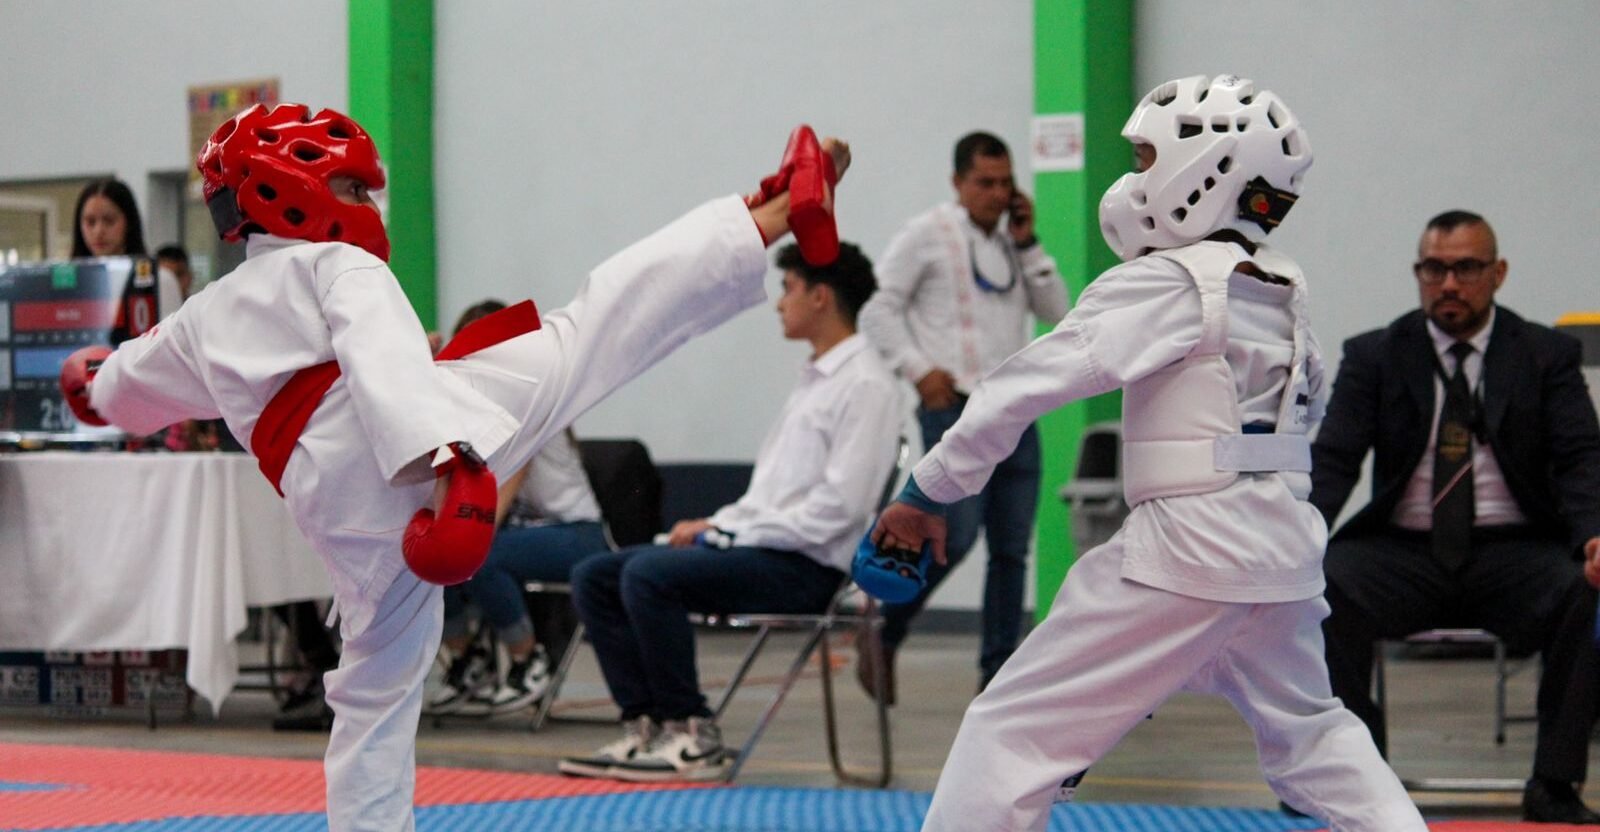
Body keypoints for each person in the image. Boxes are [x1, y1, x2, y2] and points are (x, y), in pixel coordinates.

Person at [62, 103, 849, 831]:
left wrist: (92, 389)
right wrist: (452, 467)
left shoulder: (204, 317)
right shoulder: (339, 268)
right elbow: (386, 367)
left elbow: (135, 385)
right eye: (345, 185)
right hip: (416, 456)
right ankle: (772, 211)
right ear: (287, 190)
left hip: (339, 509)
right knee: (593, 327)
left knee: (373, 693)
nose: (364, 204)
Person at [871, 75, 1427, 832]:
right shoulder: (1279, 288)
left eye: (1144, 160)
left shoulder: (1165, 282)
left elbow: (1018, 388)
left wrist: (927, 490)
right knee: (1314, 733)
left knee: (1013, 730)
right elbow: (1310, 415)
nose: (1132, 180)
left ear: (1203, 174)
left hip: (1189, 549)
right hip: (1281, 552)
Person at [560, 240, 901, 783]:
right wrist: (718, 526)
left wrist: (729, 531)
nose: (778, 303)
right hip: (761, 547)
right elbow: (768, 495)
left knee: (649, 576)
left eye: (787, 288)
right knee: (596, 575)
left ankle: (693, 731)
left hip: (806, 567)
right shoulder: (814, 380)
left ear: (820, 296)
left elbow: (840, 508)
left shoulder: (866, 385)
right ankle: (645, 725)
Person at [1310, 210, 1600, 824]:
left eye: (1466, 268)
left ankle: (1554, 781)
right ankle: (1356, 780)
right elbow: (1334, 458)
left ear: (1497, 274)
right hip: (1405, 549)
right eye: (1434, 269)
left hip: (1513, 548)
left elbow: (1581, 458)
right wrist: (1296, 537)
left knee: (1584, 586)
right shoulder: (1376, 354)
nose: (1448, 283)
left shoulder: (1546, 355)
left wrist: (1596, 535)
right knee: (1326, 581)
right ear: (1418, 275)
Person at [856, 130, 1069, 699]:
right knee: (959, 530)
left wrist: (1028, 243)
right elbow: (877, 309)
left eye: (1005, 183)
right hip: (954, 410)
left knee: (1011, 549)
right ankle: (885, 627)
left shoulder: (1013, 246)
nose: (997, 194)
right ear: (958, 183)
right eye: (985, 183)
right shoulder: (925, 235)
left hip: (1015, 413)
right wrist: (917, 369)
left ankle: (996, 677)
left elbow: (1058, 311)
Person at [427, 300, 610, 717]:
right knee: (436, 557)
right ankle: (467, 658)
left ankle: (529, 661)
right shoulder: (482, 403)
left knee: (479, 555)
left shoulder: (526, 400)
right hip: (535, 530)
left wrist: (469, 535)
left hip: (578, 534)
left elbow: (507, 484)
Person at [71, 178, 183, 321]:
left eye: (109, 221)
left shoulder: (160, 281)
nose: (98, 231)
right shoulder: (71, 285)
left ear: (129, 223)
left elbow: (174, 341)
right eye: (90, 222)